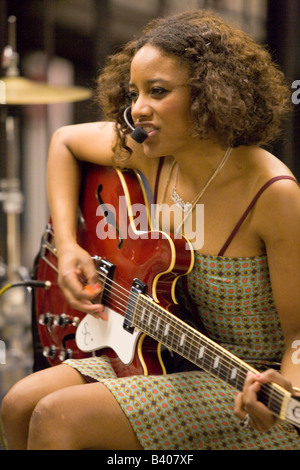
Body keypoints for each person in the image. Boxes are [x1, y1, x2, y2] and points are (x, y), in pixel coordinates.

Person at [1, 9, 300, 451]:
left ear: (210, 95)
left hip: (243, 382)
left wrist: (285, 393)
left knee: (58, 418)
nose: (137, 110)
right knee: (18, 403)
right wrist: (67, 248)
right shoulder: (154, 154)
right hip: (161, 348)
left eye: (158, 92)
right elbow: (64, 140)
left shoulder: (273, 194)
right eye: (134, 92)